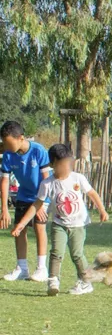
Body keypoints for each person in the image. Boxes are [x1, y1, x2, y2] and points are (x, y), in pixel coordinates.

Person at [13, 143, 108, 295]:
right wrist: (21, 224)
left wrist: (102, 210)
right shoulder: (47, 183)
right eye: (62, 164)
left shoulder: (78, 178)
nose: (66, 167)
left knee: (77, 254)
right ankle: (53, 280)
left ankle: (85, 282)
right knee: (56, 252)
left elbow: (92, 193)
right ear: (52, 164)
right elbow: (36, 205)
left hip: (78, 225)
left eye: (69, 163)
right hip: (59, 224)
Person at [1, 119, 52, 281]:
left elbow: (46, 178)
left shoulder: (39, 151)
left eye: (9, 143)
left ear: (21, 138)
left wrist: (43, 203)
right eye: (5, 144)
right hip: (23, 196)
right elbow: (4, 181)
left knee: (39, 228)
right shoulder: (8, 155)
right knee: (19, 229)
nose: (7, 148)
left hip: (41, 197)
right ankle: (22, 268)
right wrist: (4, 209)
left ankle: (41, 268)